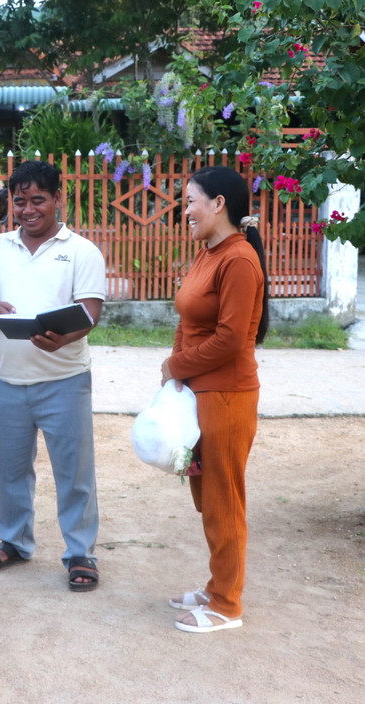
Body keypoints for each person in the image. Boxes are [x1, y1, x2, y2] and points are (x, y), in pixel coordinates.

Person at [0, 160, 106, 591]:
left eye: (38, 200)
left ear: (57, 199)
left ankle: (80, 552)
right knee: (10, 472)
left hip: (65, 381)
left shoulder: (82, 251)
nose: (28, 209)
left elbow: (90, 311)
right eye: (20, 201)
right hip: (7, 381)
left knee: (74, 474)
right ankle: (14, 542)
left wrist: (65, 338)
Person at [161, 165, 268, 633]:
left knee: (224, 499)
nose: (185, 210)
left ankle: (226, 605)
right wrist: (177, 367)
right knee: (208, 497)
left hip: (227, 396)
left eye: (190, 201)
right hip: (199, 393)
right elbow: (188, 319)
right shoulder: (208, 253)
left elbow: (230, 340)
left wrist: (176, 367)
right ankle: (217, 584)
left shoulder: (239, 259)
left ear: (218, 204)